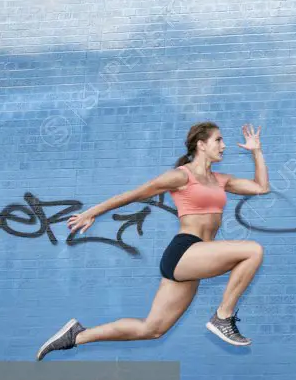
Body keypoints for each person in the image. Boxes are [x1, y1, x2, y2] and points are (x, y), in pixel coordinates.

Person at [35, 121, 269, 360]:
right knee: (252, 250)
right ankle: (223, 317)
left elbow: (261, 187)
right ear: (201, 144)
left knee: (152, 329)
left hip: (195, 260)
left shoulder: (221, 180)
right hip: (185, 250)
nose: (224, 145)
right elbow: (134, 194)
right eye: (218, 140)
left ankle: (76, 336)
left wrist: (256, 151)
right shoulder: (181, 176)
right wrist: (91, 212)